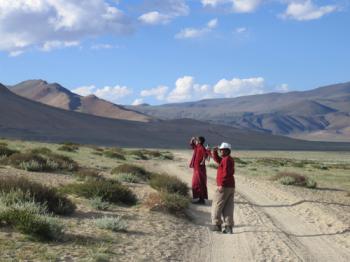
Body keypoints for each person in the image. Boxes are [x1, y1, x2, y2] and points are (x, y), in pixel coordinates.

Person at [210, 142, 235, 234]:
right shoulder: (226, 159)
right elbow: (218, 160)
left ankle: (216, 225)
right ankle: (228, 227)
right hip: (230, 186)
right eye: (220, 150)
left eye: (222, 150)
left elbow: (226, 173)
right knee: (228, 207)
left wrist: (221, 184)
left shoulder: (227, 160)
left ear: (227, 150)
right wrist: (214, 152)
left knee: (217, 204)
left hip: (224, 186)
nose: (221, 151)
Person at [189, 136, 208, 205]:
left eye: (197, 140)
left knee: (200, 183)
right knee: (196, 183)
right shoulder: (197, 146)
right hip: (196, 167)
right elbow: (192, 144)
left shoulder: (202, 147)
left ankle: (201, 199)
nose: (196, 141)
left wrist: (203, 161)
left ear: (200, 141)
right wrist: (192, 139)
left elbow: (205, 154)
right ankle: (199, 198)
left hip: (200, 168)